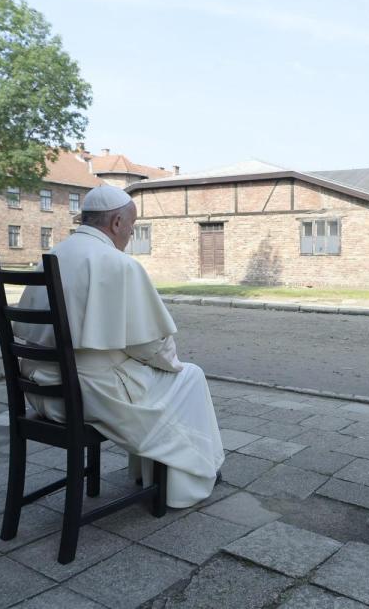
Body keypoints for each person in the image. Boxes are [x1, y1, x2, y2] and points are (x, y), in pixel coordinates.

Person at [13, 186, 224, 508]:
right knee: (189, 376)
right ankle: (188, 475)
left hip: (42, 393)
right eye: (131, 225)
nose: (129, 233)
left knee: (164, 380)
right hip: (90, 396)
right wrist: (171, 364)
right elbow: (152, 346)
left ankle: (153, 471)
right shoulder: (118, 263)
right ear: (116, 222)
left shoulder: (52, 256)